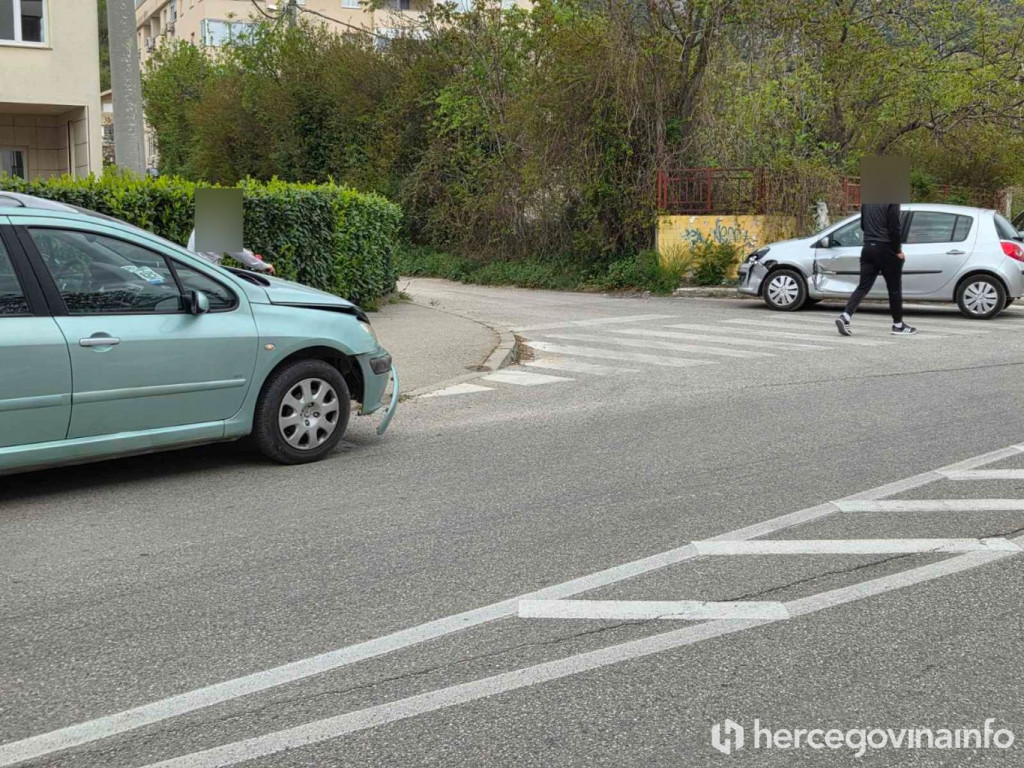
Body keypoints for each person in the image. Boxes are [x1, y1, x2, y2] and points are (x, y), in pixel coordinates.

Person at [835, 202, 917, 336]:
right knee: (894, 289)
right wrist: (897, 250)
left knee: (863, 286)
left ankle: (845, 316)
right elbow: (894, 227)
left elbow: (863, 225)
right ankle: (898, 325)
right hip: (886, 248)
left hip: (868, 247)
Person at [186, 229, 276, 275]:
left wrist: (246, 252)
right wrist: (264, 266)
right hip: (206, 273)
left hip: (194, 268)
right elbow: (238, 253)